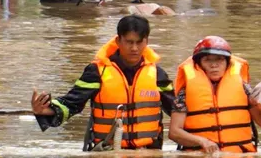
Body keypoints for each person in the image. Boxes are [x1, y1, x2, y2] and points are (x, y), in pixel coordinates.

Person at [31, 15, 174, 150]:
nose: (134, 48)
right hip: (106, 152)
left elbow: (176, 110)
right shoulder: (97, 72)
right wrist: (45, 110)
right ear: (118, 41)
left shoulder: (158, 75)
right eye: (129, 42)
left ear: (146, 42)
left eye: (139, 42)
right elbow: (72, 102)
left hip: (148, 153)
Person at [168, 36, 261, 153]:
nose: (214, 65)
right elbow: (174, 132)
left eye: (219, 59)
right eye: (207, 60)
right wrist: (202, 141)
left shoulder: (244, 88)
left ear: (227, 63)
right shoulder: (185, 93)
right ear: (199, 64)